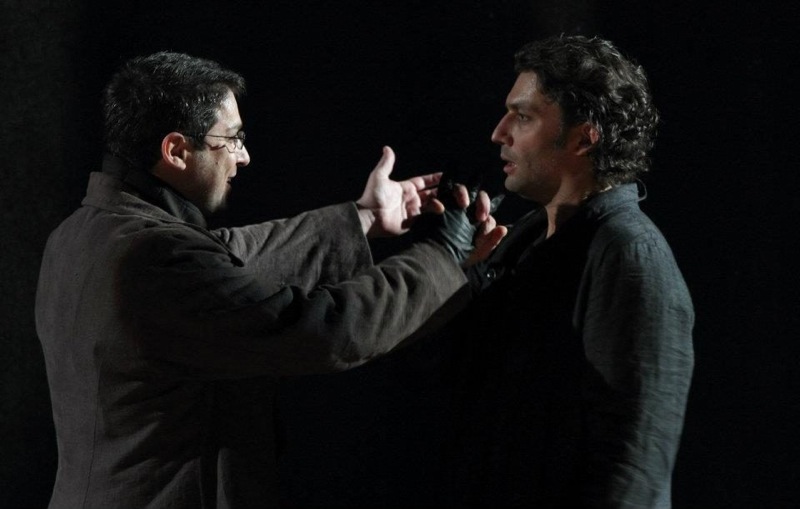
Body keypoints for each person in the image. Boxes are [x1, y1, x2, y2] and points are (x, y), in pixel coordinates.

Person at [34, 51, 504, 509]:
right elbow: (323, 330)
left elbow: (230, 254)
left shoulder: (84, 233)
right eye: (232, 139)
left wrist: (363, 218)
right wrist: (444, 256)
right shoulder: (155, 259)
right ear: (176, 150)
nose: (244, 156)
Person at [422, 35, 694, 508]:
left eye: (523, 116)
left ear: (584, 137)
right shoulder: (522, 244)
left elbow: (634, 465)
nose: (499, 132)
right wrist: (458, 275)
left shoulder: (630, 255)